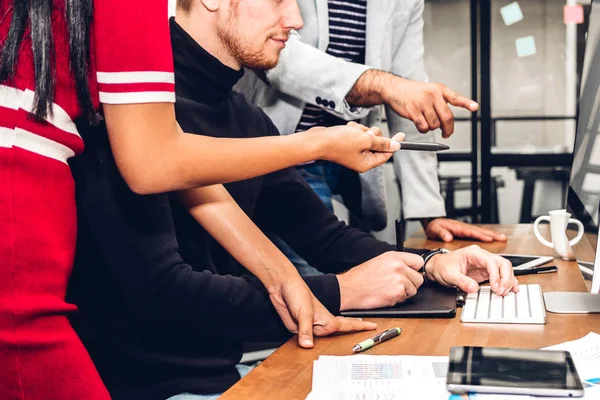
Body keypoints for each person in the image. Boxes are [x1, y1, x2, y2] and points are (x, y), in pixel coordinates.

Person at [67, 1, 519, 398]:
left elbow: (324, 236)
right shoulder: (125, 119)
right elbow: (163, 296)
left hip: (225, 375)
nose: (297, 19)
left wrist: (431, 263)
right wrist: (343, 290)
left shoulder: (245, 117)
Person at [0, 1, 402, 399]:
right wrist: (315, 144)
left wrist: (286, 277)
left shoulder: (226, 114)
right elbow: (155, 164)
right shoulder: (128, 65)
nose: (295, 20)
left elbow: (182, 173)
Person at [236, 0, 508, 244]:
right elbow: (275, 56)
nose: (295, 18)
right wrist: (386, 85)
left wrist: (430, 212)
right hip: (288, 156)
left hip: (354, 159)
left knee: (362, 271)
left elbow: (410, 89)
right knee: (318, 279)